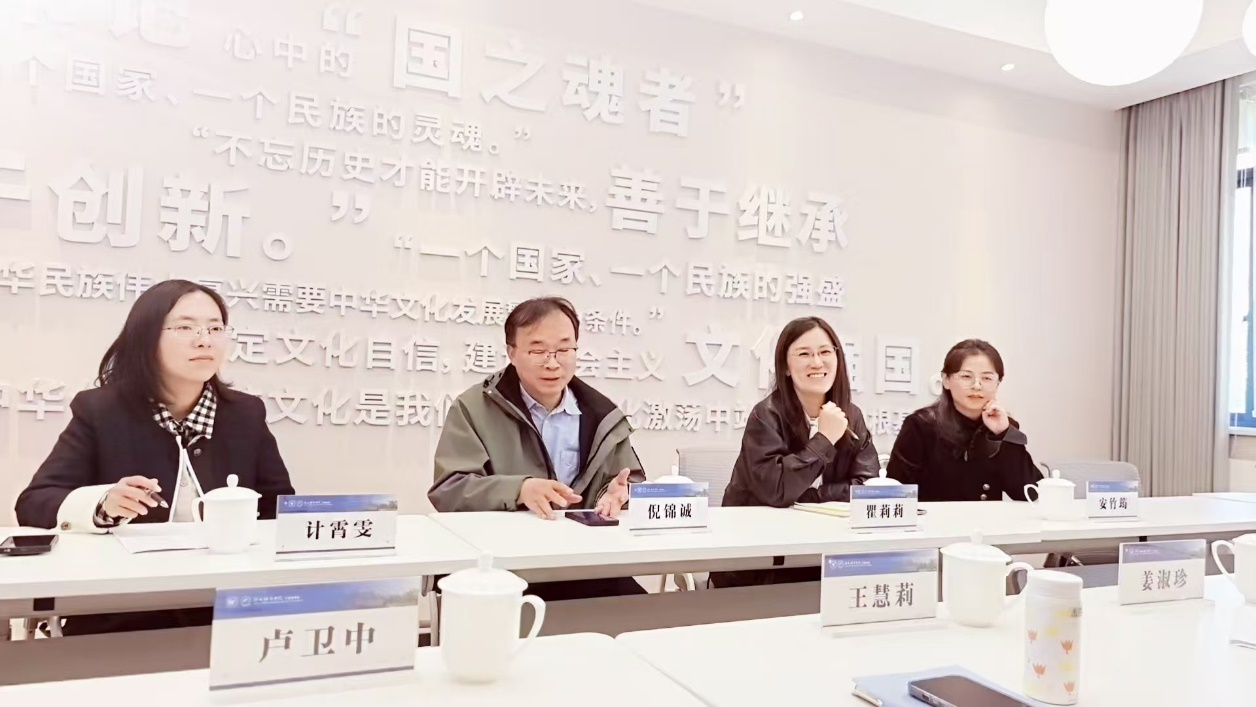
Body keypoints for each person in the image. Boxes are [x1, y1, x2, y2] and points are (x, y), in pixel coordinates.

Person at [15, 279, 295, 634]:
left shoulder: (245, 413)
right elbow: (34, 502)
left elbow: (279, 509)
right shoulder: (101, 410)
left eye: (215, 328)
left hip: (225, 608)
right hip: (122, 608)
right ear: (146, 338)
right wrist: (102, 504)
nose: (204, 340)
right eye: (185, 328)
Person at [429, 296, 647, 600]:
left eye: (564, 350)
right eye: (538, 351)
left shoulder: (602, 415)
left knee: (652, 614)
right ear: (512, 353)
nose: (552, 363)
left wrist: (619, 497)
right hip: (499, 567)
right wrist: (519, 490)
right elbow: (449, 489)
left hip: (585, 566)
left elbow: (630, 483)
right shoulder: (473, 408)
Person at [712, 317, 878, 587]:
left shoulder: (851, 416)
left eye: (825, 352)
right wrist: (825, 439)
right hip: (760, 558)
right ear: (785, 367)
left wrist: (807, 496)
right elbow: (777, 490)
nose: (817, 362)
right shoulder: (766, 415)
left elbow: (867, 488)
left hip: (826, 553)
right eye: (804, 354)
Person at [887, 339, 1042, 501]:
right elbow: (896, 494)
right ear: (946, 380)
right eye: (967, 376)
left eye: (987, 378)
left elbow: (1031, 493)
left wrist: (1003, 433)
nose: (977, 386)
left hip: (987, 518)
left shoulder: (1002, 425)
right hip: (936, 518)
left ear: (998, 383)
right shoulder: (921, 425)